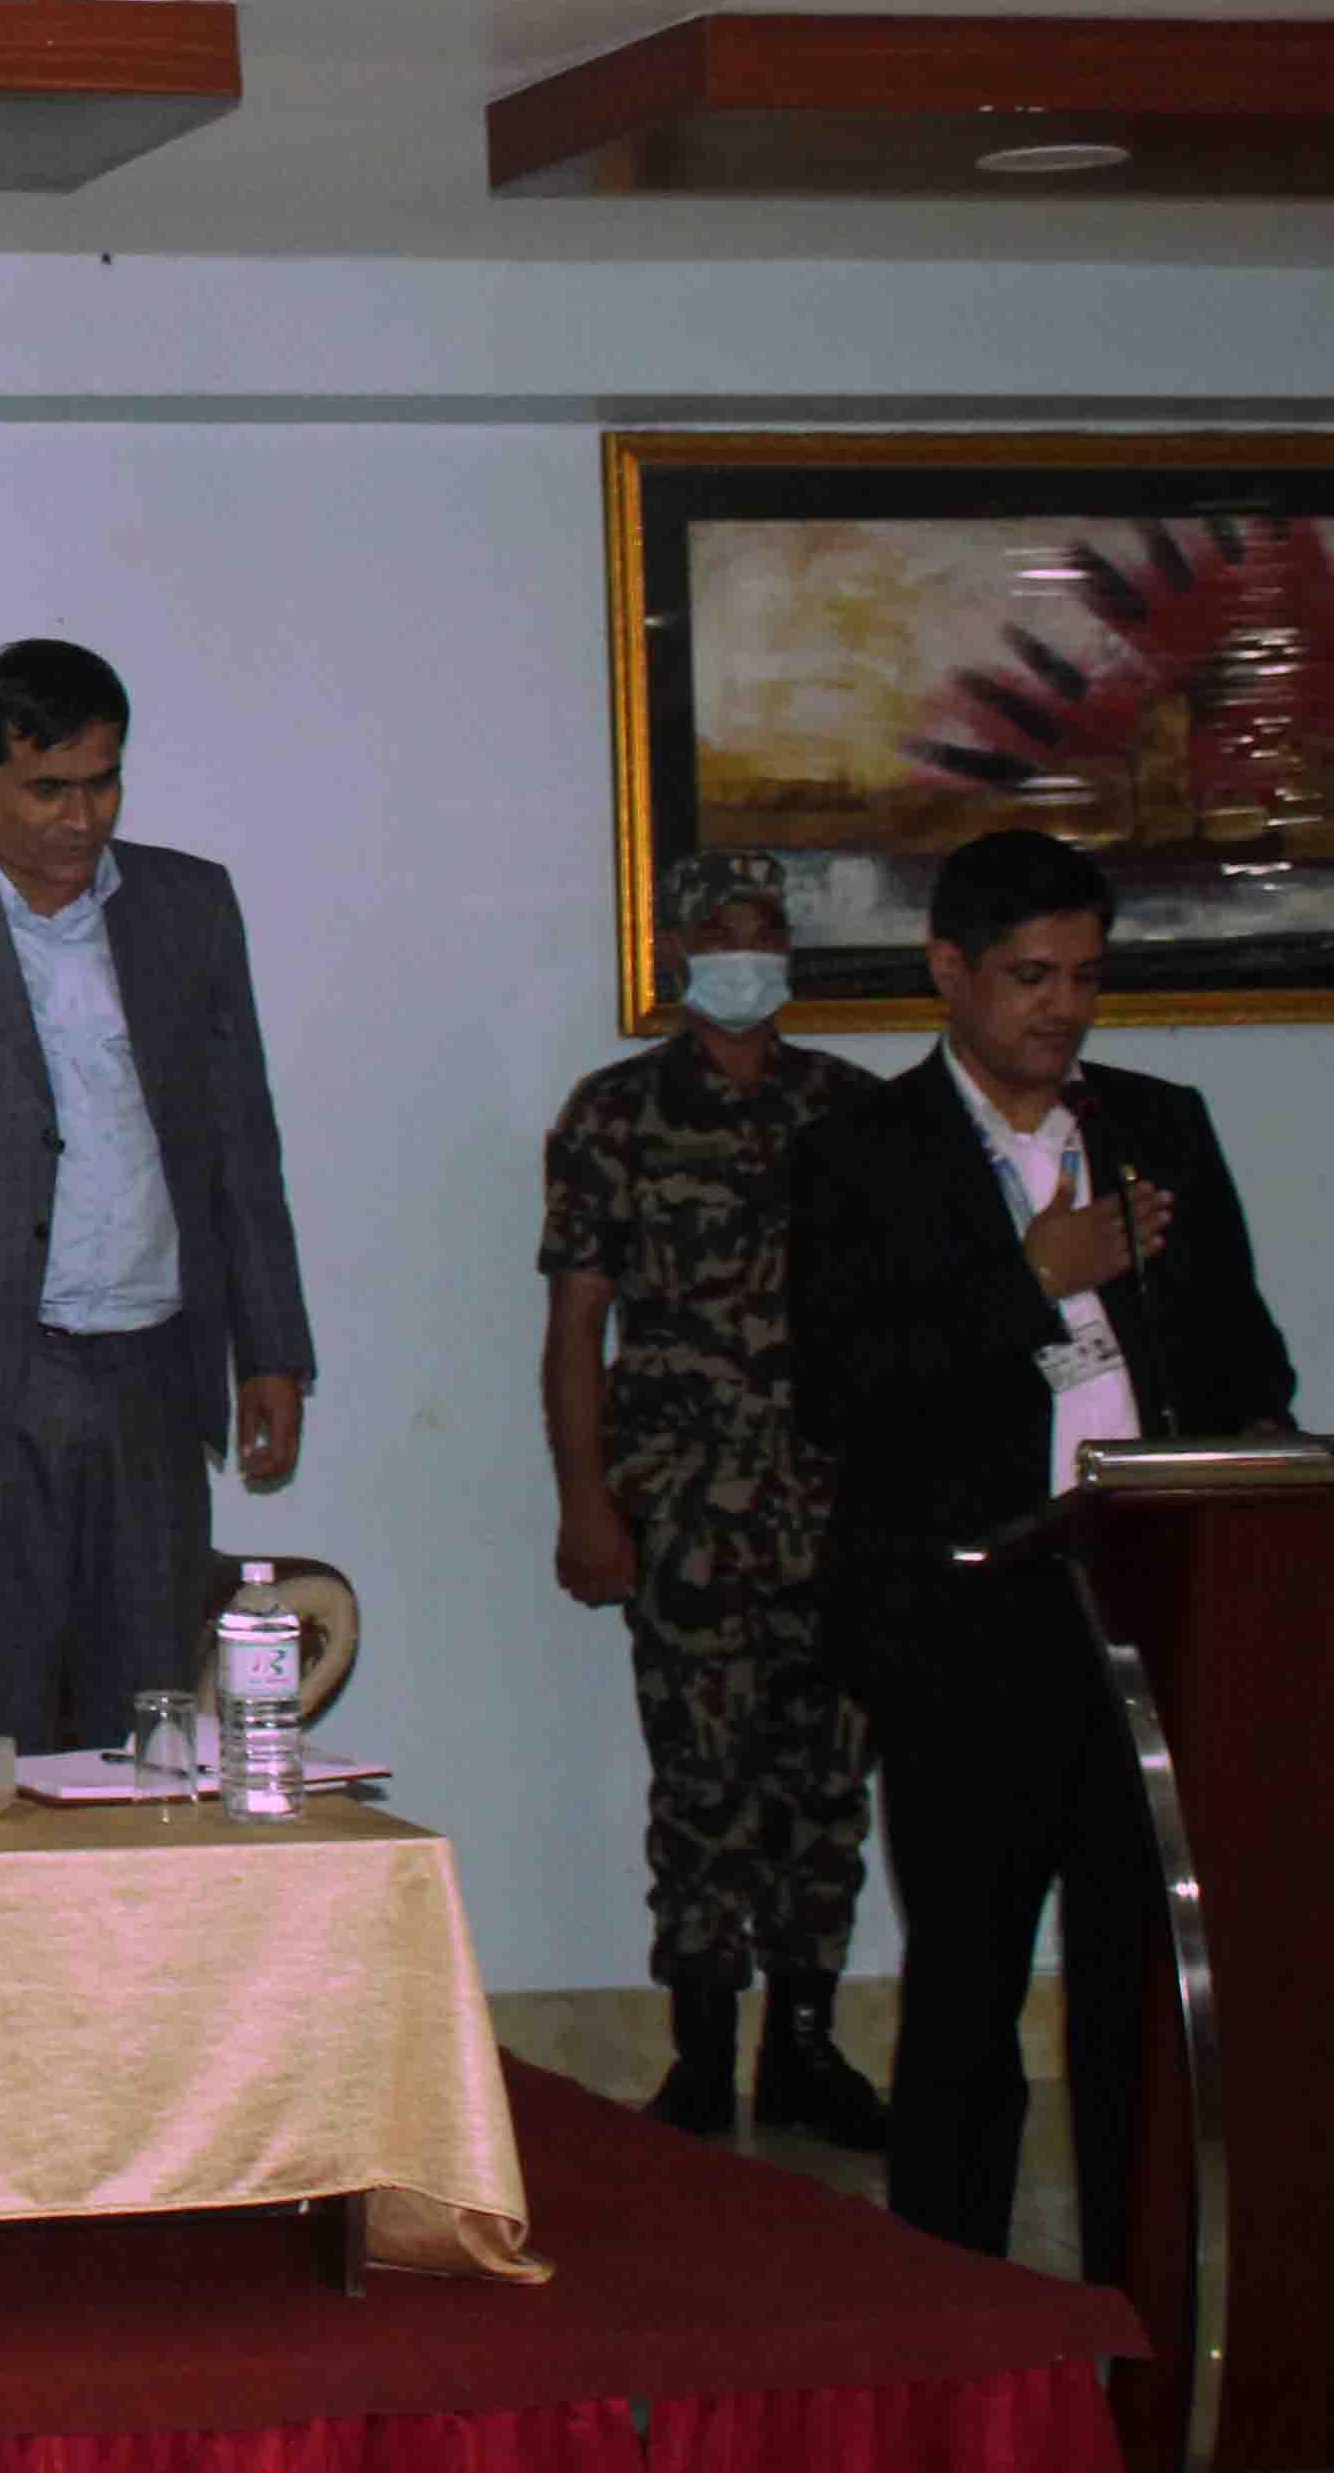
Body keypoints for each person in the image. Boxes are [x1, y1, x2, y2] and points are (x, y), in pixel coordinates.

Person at [790, 828, 1292, 2278]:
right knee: (967, 1992)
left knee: (1141, 1993)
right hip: (966, 1624)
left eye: (1085, 976)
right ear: (948, 969)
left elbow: (1253, 1365)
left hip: (1148, 1611)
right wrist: (1032, 1282)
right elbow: (843, 1397)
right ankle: (954, 2314)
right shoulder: (859, 1153)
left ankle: (1139, 2303)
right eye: (1029, 977)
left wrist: (1173, 1336)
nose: (1062, 1008)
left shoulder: (1158, 1126)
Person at [0, 637, 312, 1756]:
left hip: (154, 1372)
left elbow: (241, 1143)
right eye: (47, 789)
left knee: (151, 1721)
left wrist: (272, 1349)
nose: (81, 819)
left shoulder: (190, 906)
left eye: (102, 783)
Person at [538, 847, 892, 2147]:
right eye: (724, 929)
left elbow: (905, 1324)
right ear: (678, 949)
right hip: (686, 1511)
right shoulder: (615, 1115)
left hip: (836, 1509)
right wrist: (587, 1507)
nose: (750, 950)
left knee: (825, 1790)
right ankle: (701, 2054)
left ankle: (804, 2045)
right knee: (701, 1788)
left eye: (768, 928)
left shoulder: (855, 1113)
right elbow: (577, 1329)